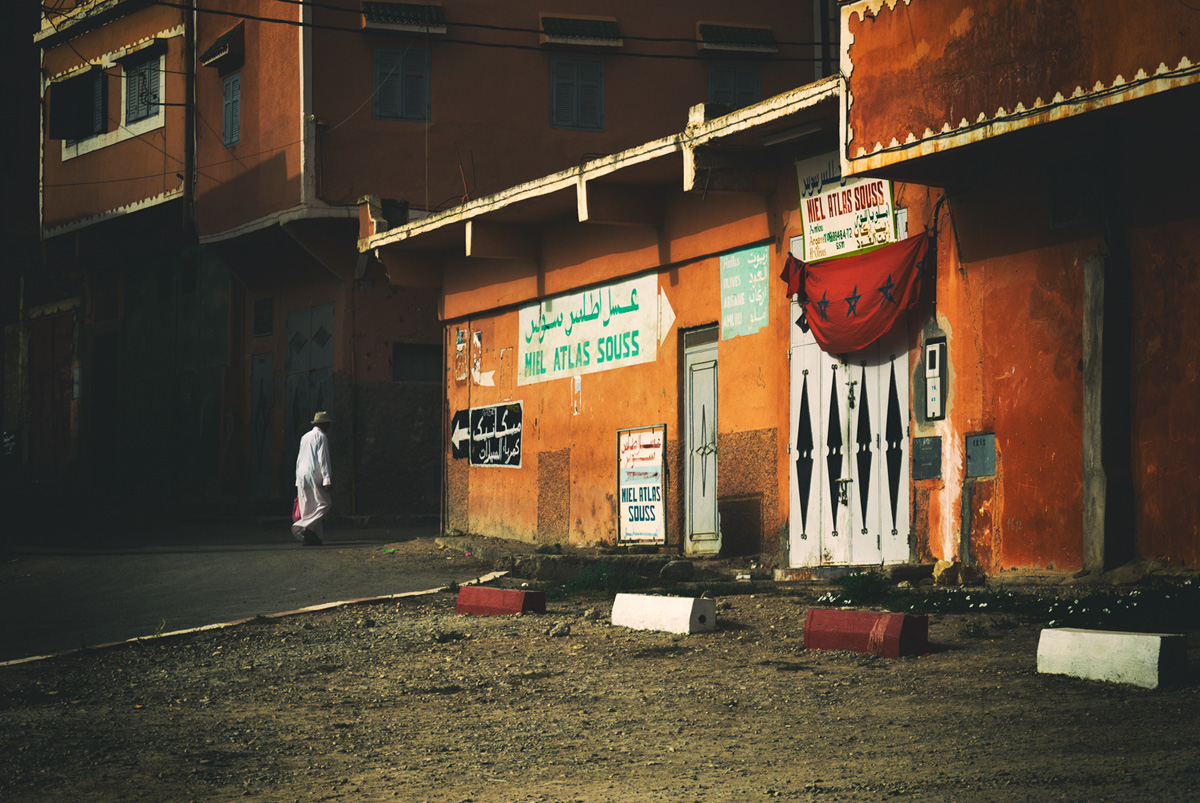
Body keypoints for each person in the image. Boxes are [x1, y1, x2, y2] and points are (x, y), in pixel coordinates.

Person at [292, 411, 332, 546]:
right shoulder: (321, 437)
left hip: (302, 474)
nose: (329, 426)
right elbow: (323, 459)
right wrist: (327, 479)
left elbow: (299, 458)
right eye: (327, 423)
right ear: (323, 424)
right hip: (314, 473)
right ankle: (303, 526)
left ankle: (313, 537)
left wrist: (298, 479)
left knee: (308, 506)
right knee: (324, 504)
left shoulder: (305, 436)